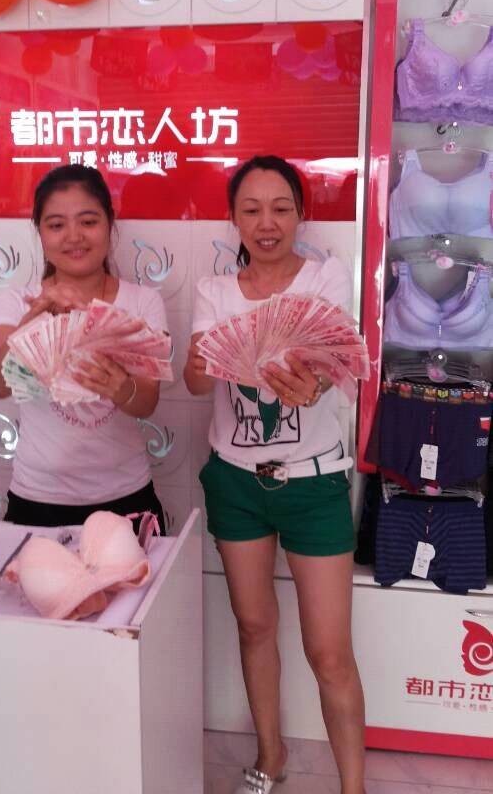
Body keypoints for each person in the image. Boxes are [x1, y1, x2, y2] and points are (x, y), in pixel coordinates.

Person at [184, 156, 365, 794]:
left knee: (329, 651)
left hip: (315, 483)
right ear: (233, 219)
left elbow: (333, 362)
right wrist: (203, 362)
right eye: (252, 209)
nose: (267, 223)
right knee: (255, 625)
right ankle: (271, 755)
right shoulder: (214, 291)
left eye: (281, 208)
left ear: (300, 215)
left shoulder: (325, 277)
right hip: (236, 482)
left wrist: (313, 383)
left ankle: (352, 786)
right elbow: (195, 381)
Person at [0, 164, 167, 530]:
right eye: (56, 225)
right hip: (37, 498)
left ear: (109, 224)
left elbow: (147, 401)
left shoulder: (142, 301)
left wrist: (121, 387)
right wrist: (33, 319)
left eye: (88, 221)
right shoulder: (16, 303)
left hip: (126, 496)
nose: (74, 236)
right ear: (40, 232)